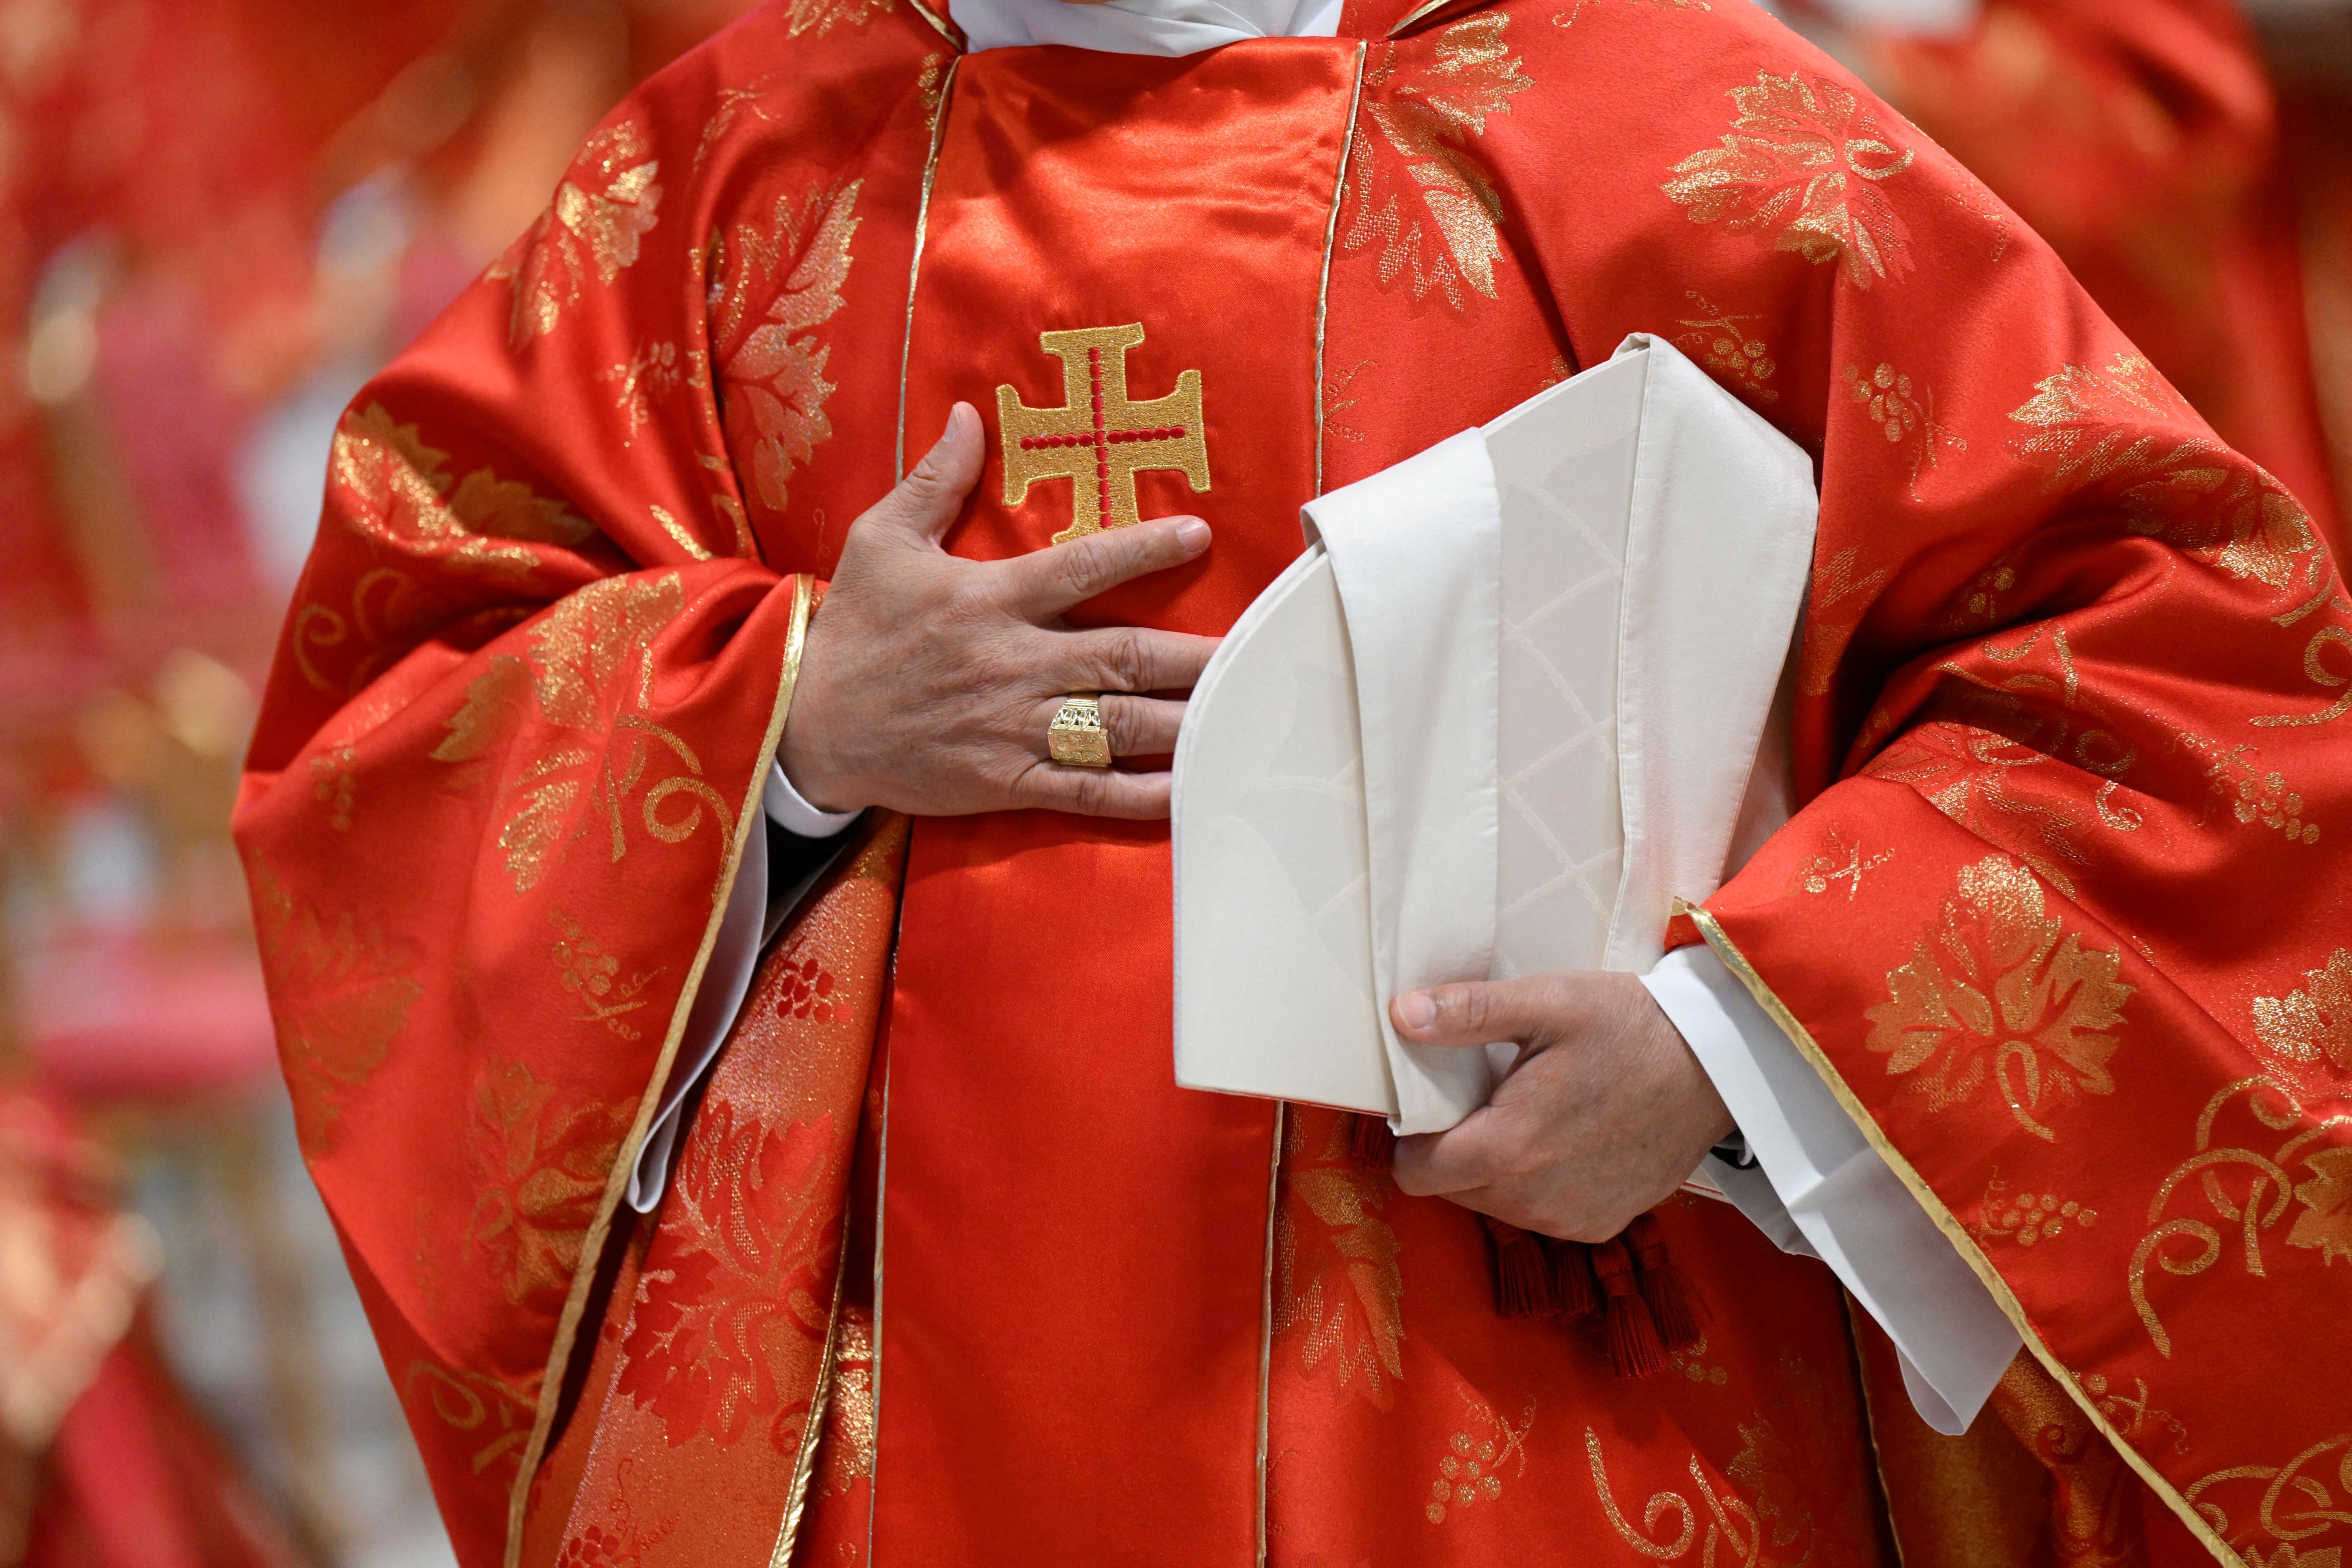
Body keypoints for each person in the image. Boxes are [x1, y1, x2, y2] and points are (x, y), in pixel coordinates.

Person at [230, 0, 2351, 1562]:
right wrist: (780, 712)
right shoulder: (724, 174)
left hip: (1533, 1386)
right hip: (898, 1409)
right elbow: (398, 718)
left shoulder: (1691, 137)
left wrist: (1728, 1042)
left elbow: (2178, 684)